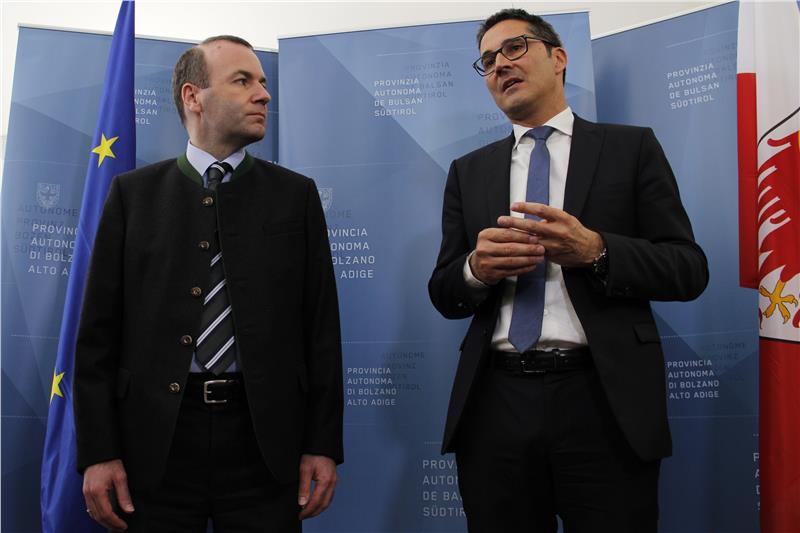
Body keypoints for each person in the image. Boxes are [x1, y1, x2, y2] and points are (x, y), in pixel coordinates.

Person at [428, 9, 709, 533]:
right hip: (496, 405)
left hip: (603, 401)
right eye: (487, 60)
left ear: (558, 58)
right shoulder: (469, 171)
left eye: (514, 48)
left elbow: (688, 269)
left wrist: (597, 250)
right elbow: (445, 292)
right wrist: (475, 270)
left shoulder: (630, 149)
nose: (499, 65)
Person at [74, 35, 343, 532]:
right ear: (193, 96)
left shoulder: (296, 196)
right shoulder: (133, 196)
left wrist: (322, 445)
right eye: (243, 81)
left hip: (265, 446)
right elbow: (97, 337)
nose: (263, 94)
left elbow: (321, 331)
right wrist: (97, 452)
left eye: (262, 82)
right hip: (154, 446)